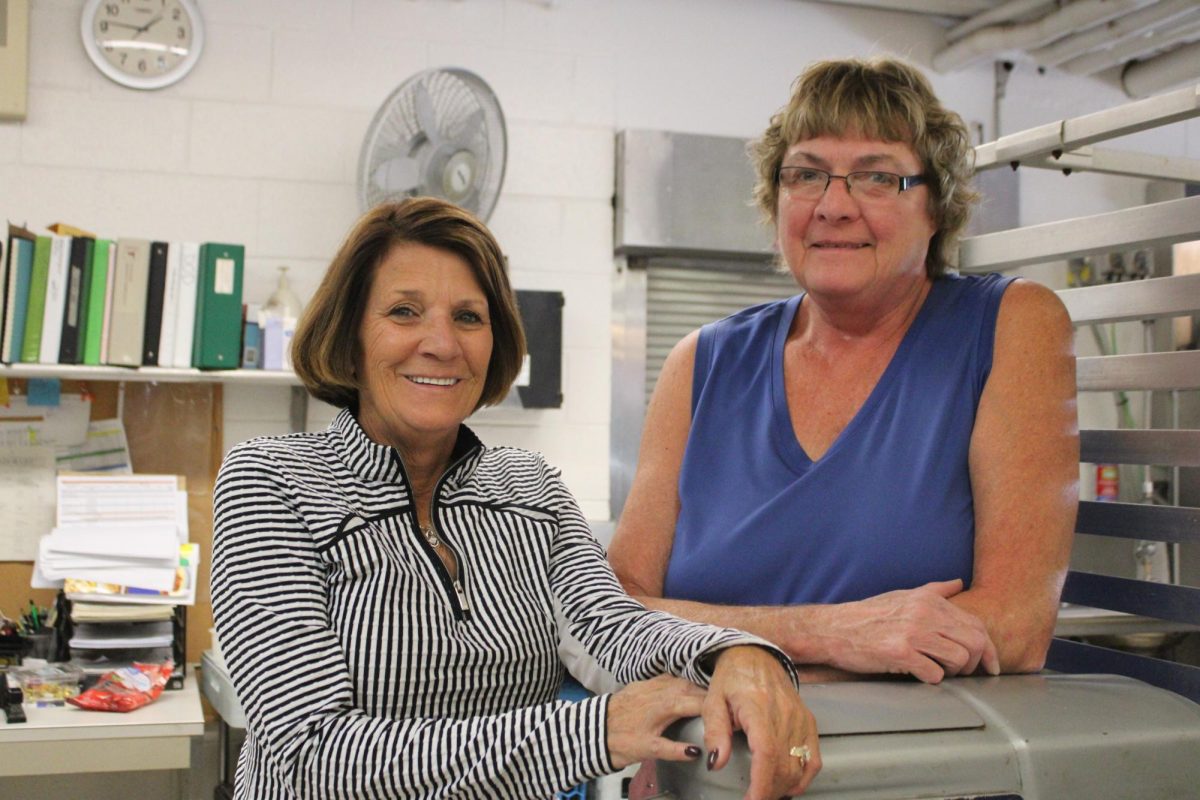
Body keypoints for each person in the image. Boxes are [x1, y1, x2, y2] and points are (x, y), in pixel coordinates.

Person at [210, 197, 820, 799]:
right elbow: (309, 753)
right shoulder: (272, 481)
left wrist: (731, 655)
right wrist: (594, 730)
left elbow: (612, 625)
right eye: (403, 311)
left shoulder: (531, 489)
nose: (442, 344)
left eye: (469, 318)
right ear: (349, 336)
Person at [607, 57, 1079, 685]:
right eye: (806, 174)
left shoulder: (1009, 327)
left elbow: (1016, 625)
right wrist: (831, 634)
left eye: (876, 177)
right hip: (707, 769)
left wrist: (732, 653)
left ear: (935, 206)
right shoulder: (701, 363)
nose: (832, 206)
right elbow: (614, 613)